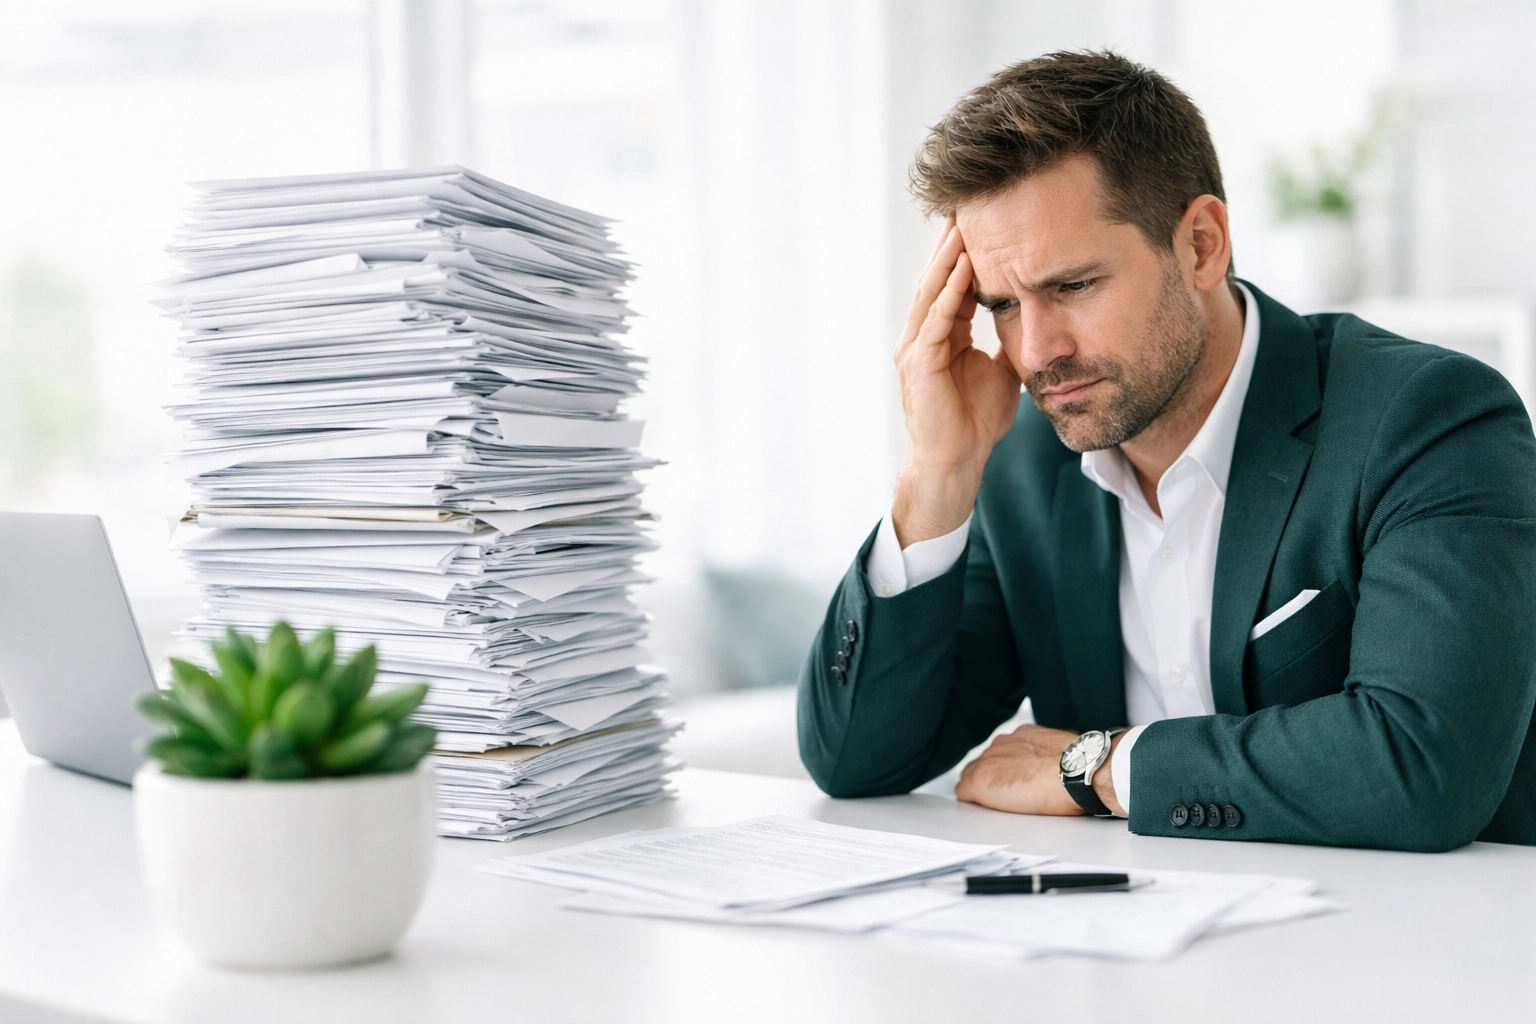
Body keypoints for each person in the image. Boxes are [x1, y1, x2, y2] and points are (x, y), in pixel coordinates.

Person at [796, 50, 1536, 850]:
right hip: (1132, 950)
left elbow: (1423, 767)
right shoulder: (1022, 465)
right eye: (1003, 304)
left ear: (1201, 245)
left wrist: (1095, 767)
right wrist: (935, 475)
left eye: (1072, 285)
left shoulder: (1429, 421)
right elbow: (855, 761)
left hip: (1421, 949)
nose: (1037, 350)